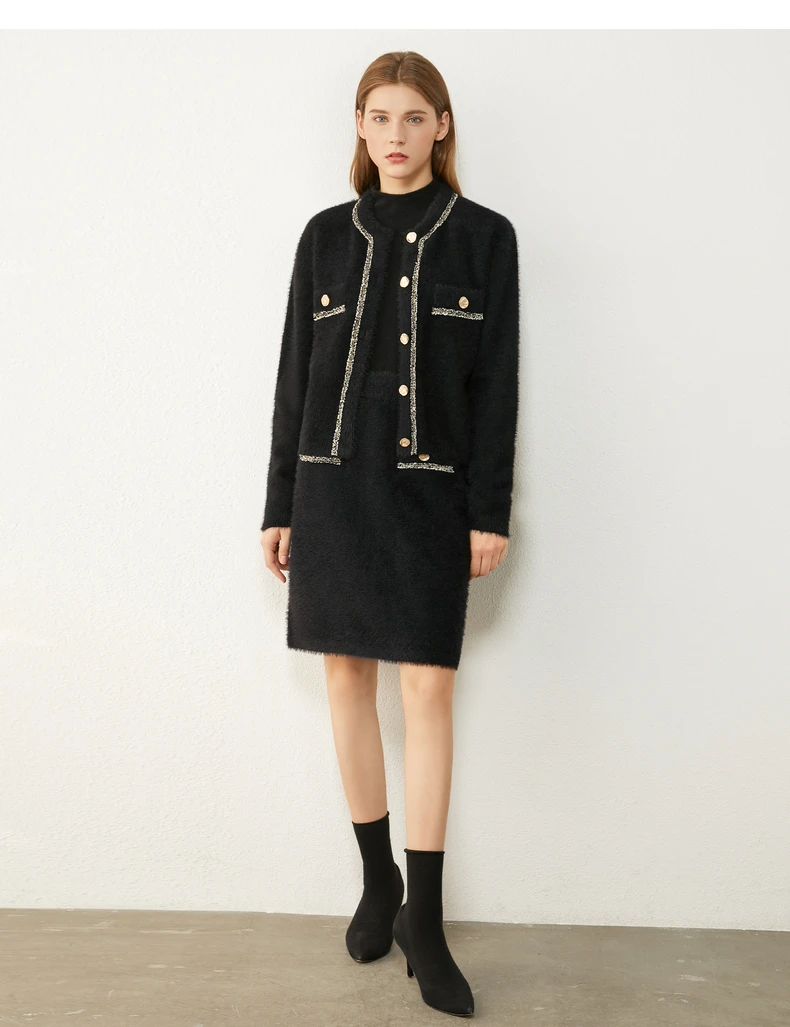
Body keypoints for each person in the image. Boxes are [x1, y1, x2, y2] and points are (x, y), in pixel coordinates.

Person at [259, 51, 520, 1018]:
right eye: (379, 117)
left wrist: (489, 510)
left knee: (428, 689)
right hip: (331, 490)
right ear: (360, 127)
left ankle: (428, 922)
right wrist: (279, 502)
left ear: (442, 126)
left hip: (429, 497)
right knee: (344, 678)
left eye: (415, 117)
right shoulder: (325, 237)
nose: (396, 135)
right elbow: (295, 377)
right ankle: (380, 882)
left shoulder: (486, 238)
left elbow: (497, 386)